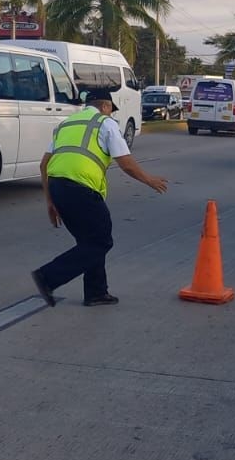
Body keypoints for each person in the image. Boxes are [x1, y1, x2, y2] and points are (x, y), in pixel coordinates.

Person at [32, 88, 169, 307]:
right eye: (110, 110)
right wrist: (149, 180)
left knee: (90, 240)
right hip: (81, 188)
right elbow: (125, 162)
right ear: (105, 106)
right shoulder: (105, 124)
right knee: (101, 240)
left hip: (58, 187)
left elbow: (43, 165)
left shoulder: (66, 124)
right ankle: (47, 276)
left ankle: (96, 292)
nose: (111, 114)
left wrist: (50, 201)